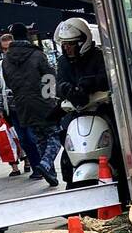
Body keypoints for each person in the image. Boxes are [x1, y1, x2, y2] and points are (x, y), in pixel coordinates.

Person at [54, 17, 127, 200]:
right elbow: (59, 84)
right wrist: (65, 89)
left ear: (83, 41)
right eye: (65, 44)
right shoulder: (63, 62)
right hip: (77, 111)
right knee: (66, 141)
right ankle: (70, 180)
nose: (67, 48)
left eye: (71, 44)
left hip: (102, 109)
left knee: (119, 142)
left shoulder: (99, 56)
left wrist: (89, 84)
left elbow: (109, 78)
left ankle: (125, 183)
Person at [0, 23, 60, 186]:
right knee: (55, 135)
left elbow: (9, 83)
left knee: (40, 139)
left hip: (22, 105)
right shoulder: (37, 55)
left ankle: (51, 175)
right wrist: (50, 99)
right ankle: (46, 164)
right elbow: (49, 77)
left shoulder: (6, 60)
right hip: (42, 103)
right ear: (27, 35)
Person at [0, 31, 40, 178]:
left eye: (8, 47)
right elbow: (0, 86)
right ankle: (37, 167)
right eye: (3, 49)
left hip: (28, 105)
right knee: (23, 140)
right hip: (13, 108)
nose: (7, 51)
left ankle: (42, 167)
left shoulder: (25, 59)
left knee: (32, 137)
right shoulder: (2, 64)